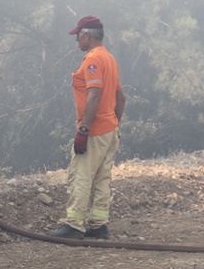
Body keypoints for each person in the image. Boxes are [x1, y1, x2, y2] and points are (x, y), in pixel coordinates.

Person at [47, 15, 126, 239]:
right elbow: (121, 99)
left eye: (78, 37)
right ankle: (99, 225)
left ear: (87, 35)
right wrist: (114, 123)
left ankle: (74, 225)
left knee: (81, 176)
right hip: (110, 129)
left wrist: (84, 129)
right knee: (102, 178)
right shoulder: (109, 59)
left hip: (94, 130)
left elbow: (93, 96)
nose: (76, 42)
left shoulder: (93, 60)